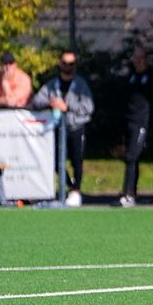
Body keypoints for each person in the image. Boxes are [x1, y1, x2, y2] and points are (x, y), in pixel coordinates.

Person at [30, 50, 95, 207]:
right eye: (65, 63)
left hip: (76, 127)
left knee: (77, 161)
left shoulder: (80, 85)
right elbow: (37, 101)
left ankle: (76, 190)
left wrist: (67, 107)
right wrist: (51, 103)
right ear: (60, 64)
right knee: (56, 160)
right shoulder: (52, 84)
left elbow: (88, 107)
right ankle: (68, 185)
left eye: (71, 64)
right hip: (58, 129)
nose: (68, 67)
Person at [118, 45, 153, 208]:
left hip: (142, 123)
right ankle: (130, 191)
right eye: (135, 58)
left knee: (132, 156)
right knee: (131, 158)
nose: (137, 61)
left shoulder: (151, 76)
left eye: (140, 58)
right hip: (129, 122)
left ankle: (128, 194)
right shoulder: (132, 76)